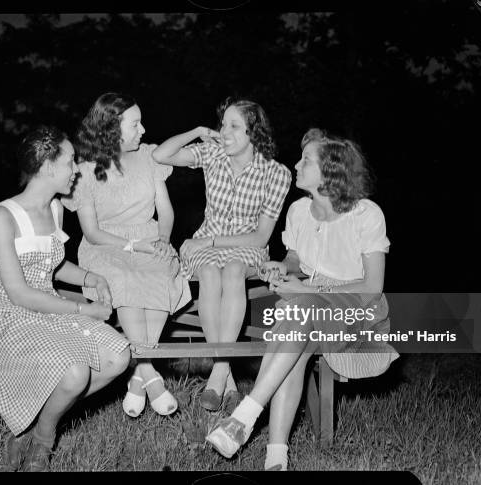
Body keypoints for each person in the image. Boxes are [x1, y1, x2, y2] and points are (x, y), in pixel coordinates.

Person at [205, 128, 400, 470]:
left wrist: (307, 290)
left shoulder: (366, 214)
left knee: (300, 311)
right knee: (296, 339)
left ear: (331, 171)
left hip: (358, 315)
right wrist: (283, 267)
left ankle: (244, 416)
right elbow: (297, 259)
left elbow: (372, 288)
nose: (296, 165)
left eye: (305, 160)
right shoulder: (298, 211)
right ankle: (275, 458)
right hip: (307, 314)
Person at [0, 126, 131, 472]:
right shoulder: (2, 216)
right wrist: (83, 309)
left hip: (47, 305)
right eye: (71, 162)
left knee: (118, 356)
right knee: (74, 373)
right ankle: (42, 437)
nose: (76, 169)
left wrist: (90, 276)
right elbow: (19, 292)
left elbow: (51, 264)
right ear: (47, 166)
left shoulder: (56, 210)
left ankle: (35, 423)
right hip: (6, 313)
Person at [152, 98, 292, 411]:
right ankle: (224, 373)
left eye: (233, 126)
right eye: (222, 124)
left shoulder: (276, 173)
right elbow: (161, 154)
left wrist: (212, 242)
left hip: (246, 246)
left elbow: (261, 235)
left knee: (232, 271)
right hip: (206, 245)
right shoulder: (213, 153)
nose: (224, 132)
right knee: (212, 274)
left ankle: (218, 369)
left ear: (253, 133)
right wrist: (197, 130)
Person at [61, 93, 191, 418]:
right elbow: (91, 232)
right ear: (111, 127)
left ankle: (139, 374)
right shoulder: (84, 171)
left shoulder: (150, 156)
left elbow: (165, 209)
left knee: (162, 271)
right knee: (126, 278)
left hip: (149, 236)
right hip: (106, 245)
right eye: (135, 124)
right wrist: (133, 247)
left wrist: (162, 239)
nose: (143, 129)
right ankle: (150, 372)